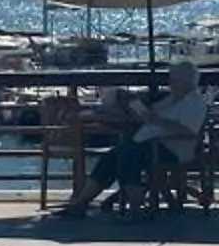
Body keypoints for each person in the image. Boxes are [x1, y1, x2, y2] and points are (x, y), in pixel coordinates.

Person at [61, 65, 209, 218]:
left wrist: (157, 121)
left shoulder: (195, 102)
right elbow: (150, 113)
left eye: (173, 80)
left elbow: (188, 131)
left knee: (128, 155)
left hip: (173, 148)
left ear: (185, 81)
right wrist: (135, 105)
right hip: (151, 143)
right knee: (112, 156)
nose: (170, 83)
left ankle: (135, 209)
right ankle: (82, 202)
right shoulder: (172, 99)